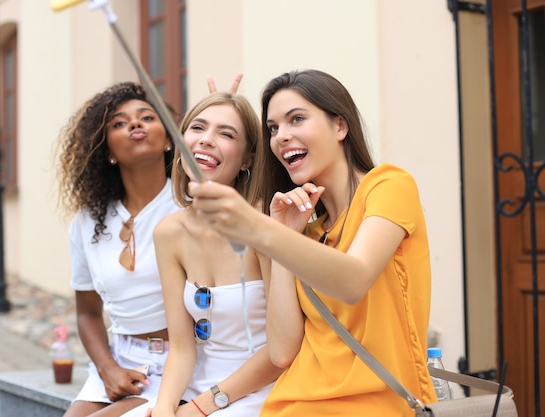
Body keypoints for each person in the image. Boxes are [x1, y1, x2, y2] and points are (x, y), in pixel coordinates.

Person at [186, 69, 437, 416]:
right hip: (291, 404)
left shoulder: (388, 186)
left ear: (340, 126)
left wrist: (260, 228)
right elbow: (282, 351)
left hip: (377, 404)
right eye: (273, 128)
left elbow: (353, 280)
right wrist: (285, 233)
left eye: (296, 119)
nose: (281, 137)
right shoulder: (306, 231)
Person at [149, 92, 283, 417]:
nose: (207, 141)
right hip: (198, 386)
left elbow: (283, 351)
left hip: (263, 390)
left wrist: (201, 407)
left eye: (226, 134)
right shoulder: (169, 233)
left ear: (247, 159)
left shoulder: (266, 223)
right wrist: (165, 407)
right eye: (197, 127)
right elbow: (182, 348)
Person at [55, 81, 179, 417]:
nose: (135, 125)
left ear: (169, 139)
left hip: (183, 362)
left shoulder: (191, 206)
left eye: (147, 118)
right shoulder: (87, 221)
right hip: (120, 360)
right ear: (107, 150)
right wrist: (108, 368)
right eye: (119, 123)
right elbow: (88, 313)